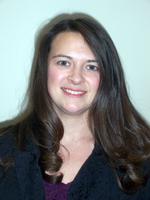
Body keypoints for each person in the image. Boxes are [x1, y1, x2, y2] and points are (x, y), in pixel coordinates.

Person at [0, 12, 150, 200]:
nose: (76, 78)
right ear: (44, 69)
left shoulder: (140, 158)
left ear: (106, 78)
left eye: (91, 67)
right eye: (64, 63)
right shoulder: (4, 148)